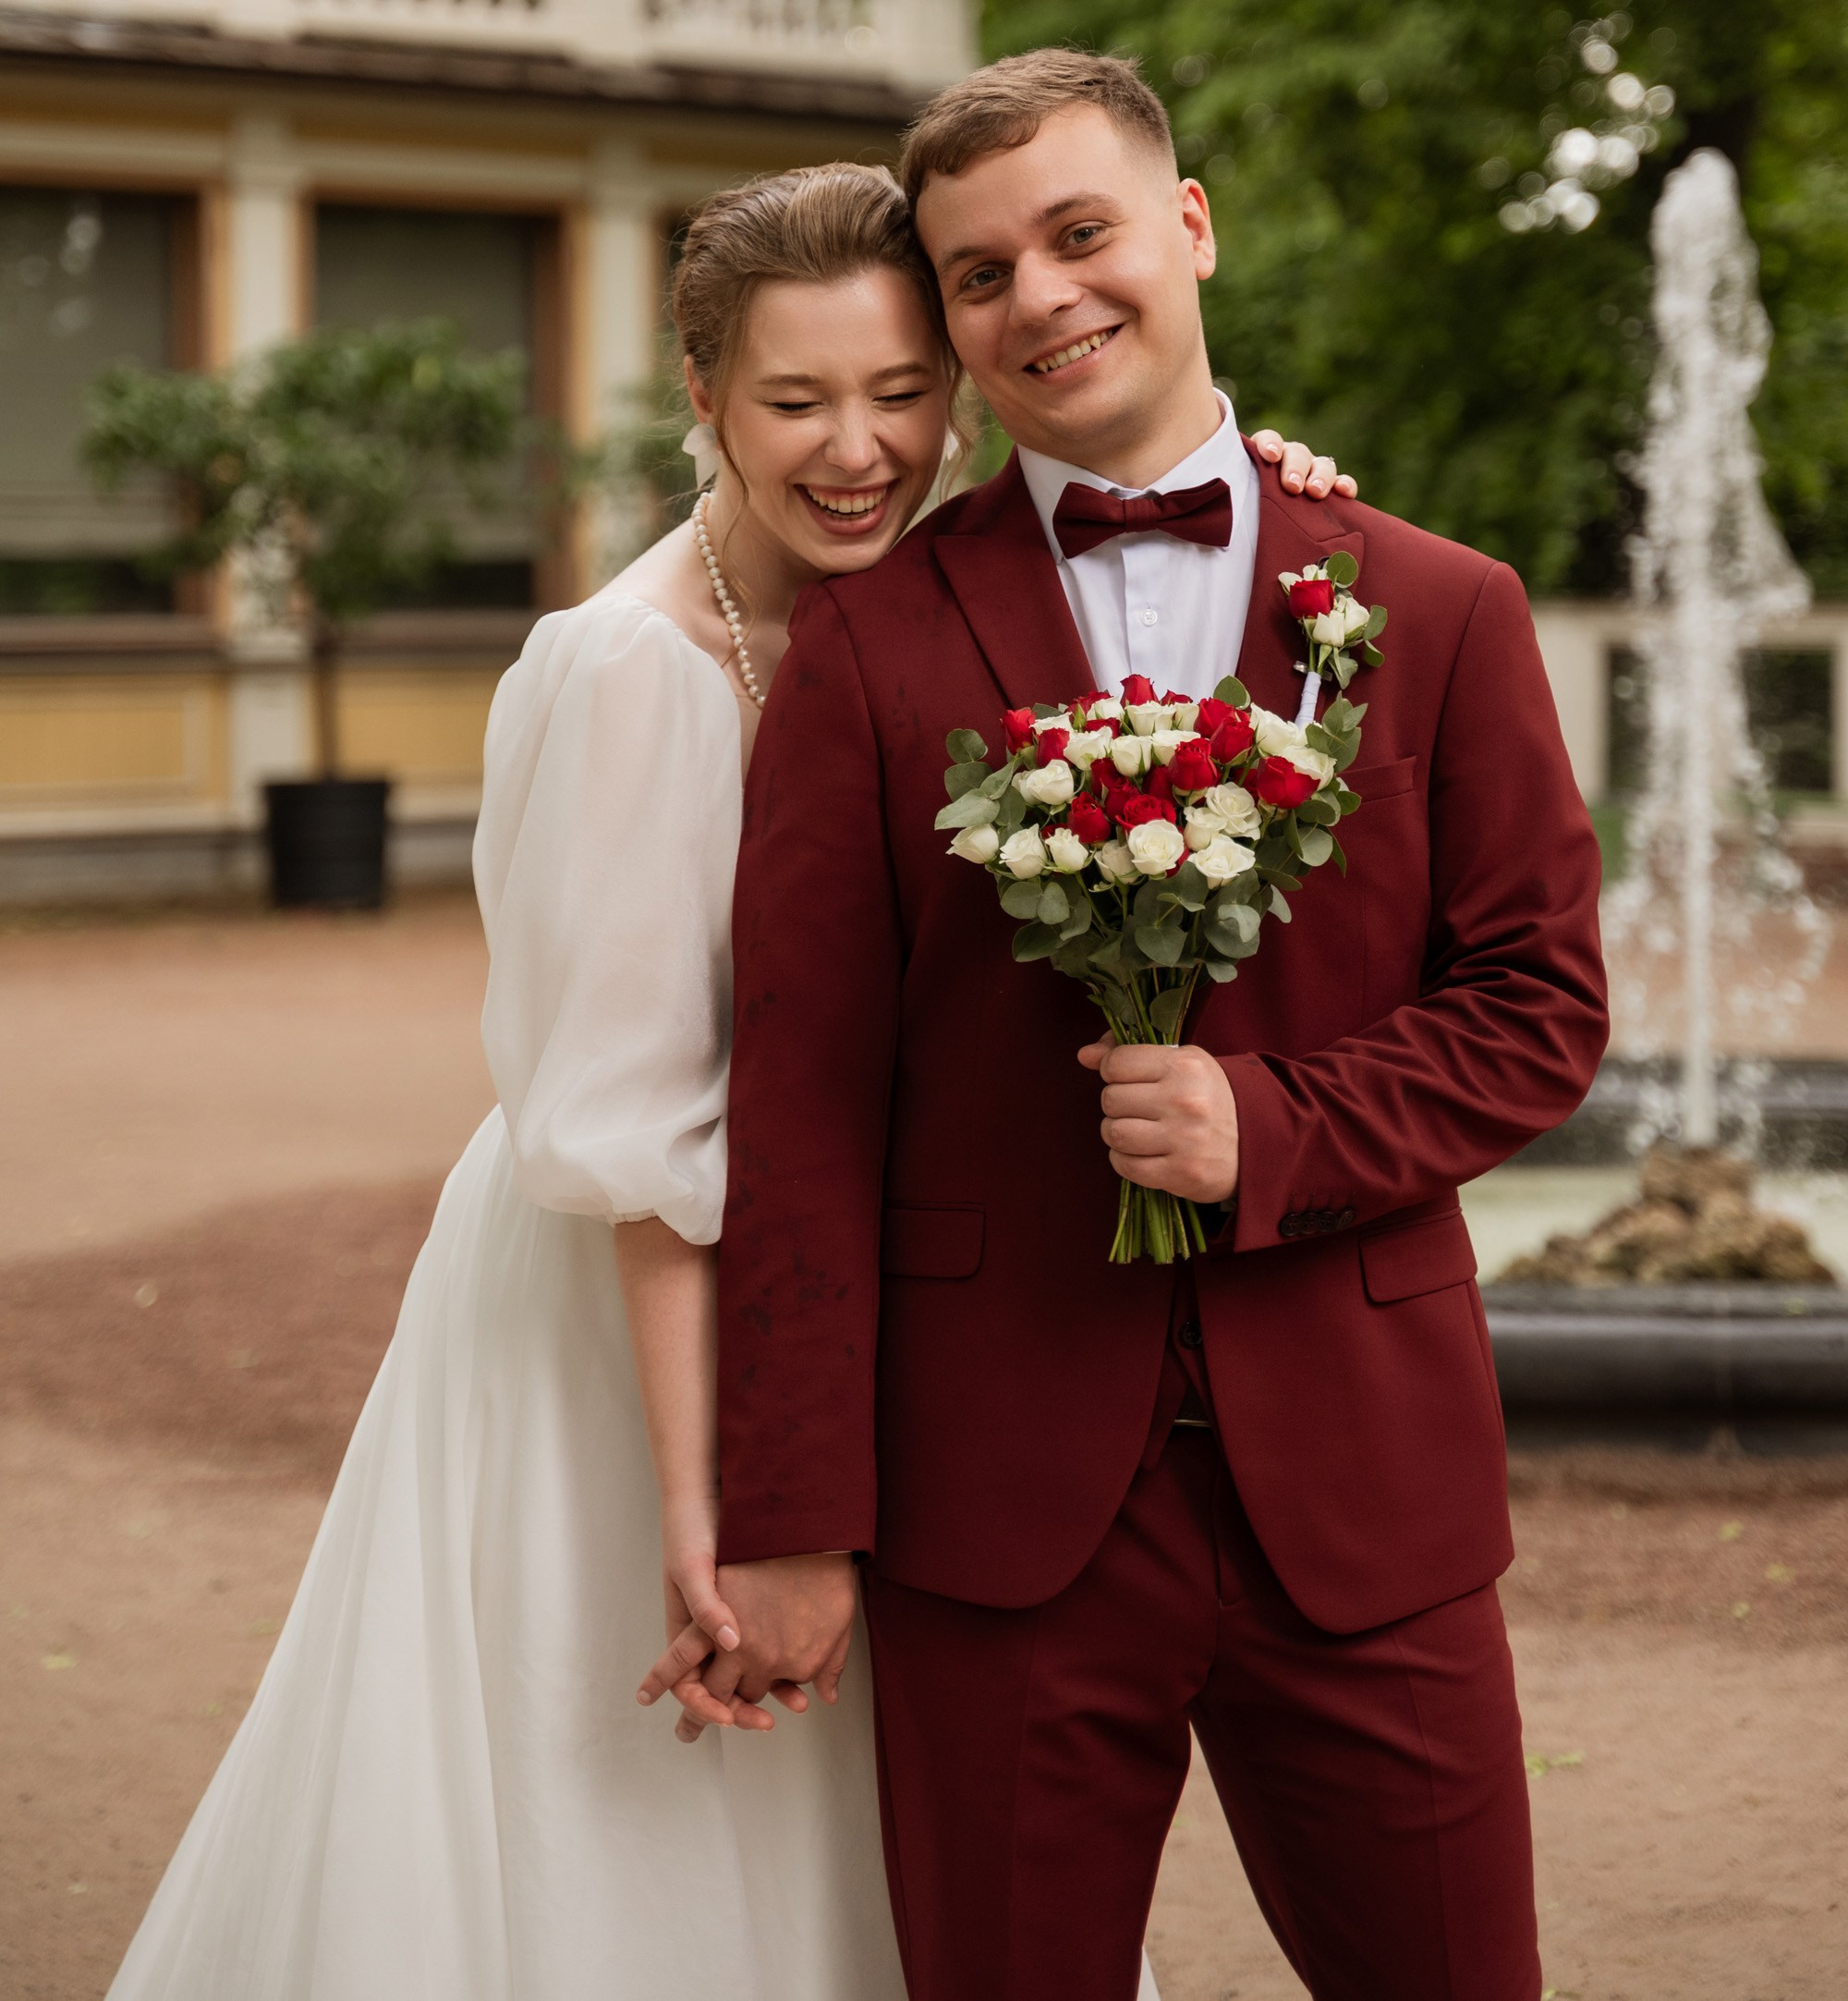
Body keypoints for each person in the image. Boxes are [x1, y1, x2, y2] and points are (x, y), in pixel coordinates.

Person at [104, 153, 1353, 2001]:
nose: (857, 451)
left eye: (900, 392)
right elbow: (641, 1147)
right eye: (793, 403)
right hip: (640, 1329)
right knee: (651, 1825)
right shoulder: (627, 669)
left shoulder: (954, 607)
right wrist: (724, 1512)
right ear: (702, 395)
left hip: (851, 1304)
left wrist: (1284, 484)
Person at [671, 54, 1610, 2001]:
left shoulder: (1437, 607)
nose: (1041, 295)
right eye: (979, 273)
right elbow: (805, 1106)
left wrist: (1278, 1128)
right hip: (993, 1508)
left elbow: (1540, 1004)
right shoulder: (871, 645)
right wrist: (793, 1518)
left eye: (1079, 232)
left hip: (1366, 1494)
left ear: (1188, 227)